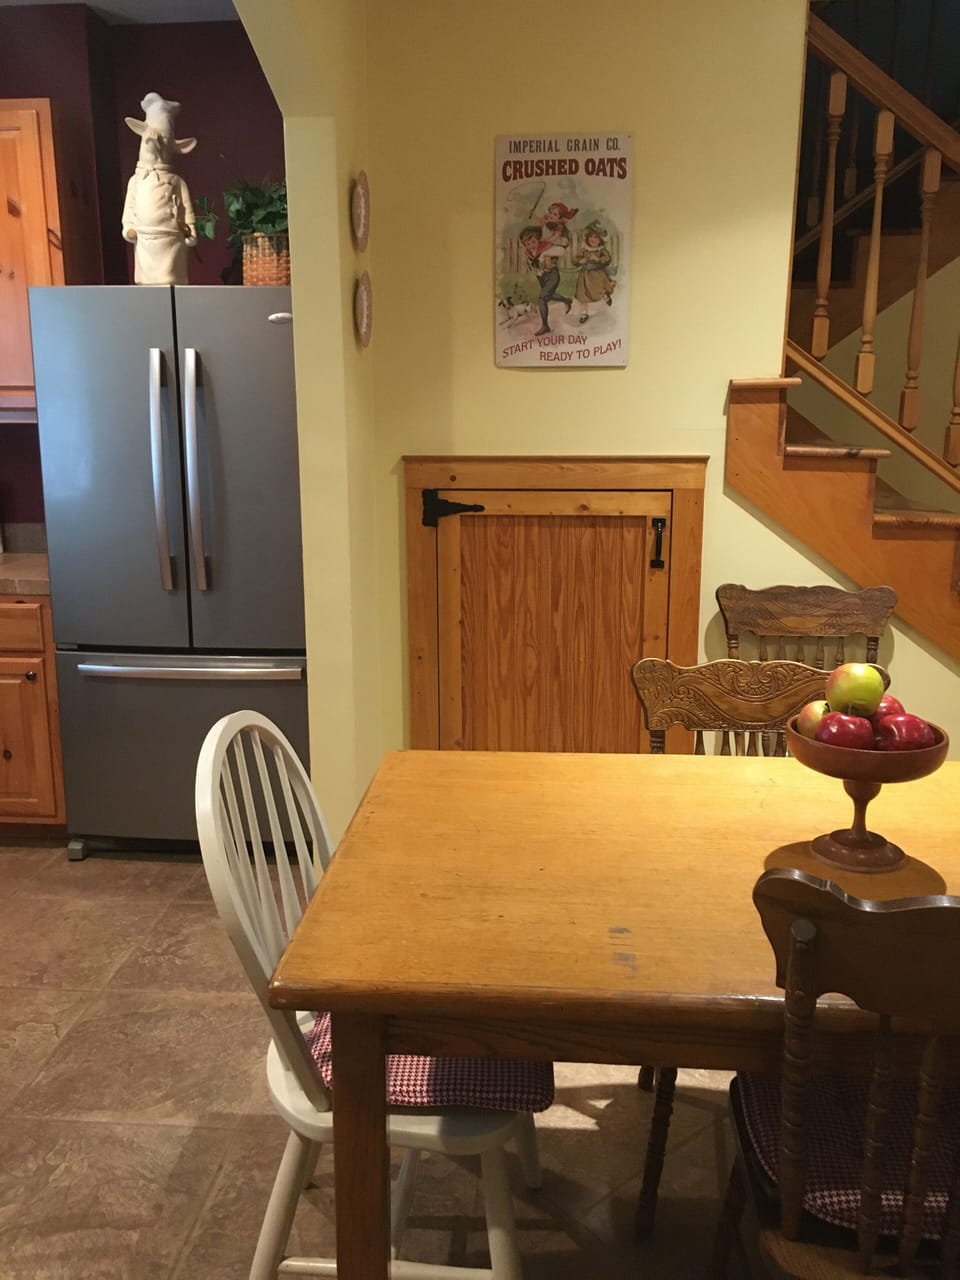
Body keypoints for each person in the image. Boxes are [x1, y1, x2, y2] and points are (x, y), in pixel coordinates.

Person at [519, 220, 573, 336]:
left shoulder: (546, 248)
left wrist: (546, 257)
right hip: (541, 277)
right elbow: (530, 264)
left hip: (552, 275)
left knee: (542, 298)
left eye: (533, 241)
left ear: (538, 239)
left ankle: (545, 326)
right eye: (527, 244)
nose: (531, 245)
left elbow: (561, 251)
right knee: (548, 295)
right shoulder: (528, 253)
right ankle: (566, 300)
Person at [574, 221, 616, 324]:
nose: (593, 240)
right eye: (591, 237)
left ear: (600, 240)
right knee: (582, 294)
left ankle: (605, 296)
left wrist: (598, 259)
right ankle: (584, 313)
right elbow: (575, 259)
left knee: (599, 290)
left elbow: (607, 259)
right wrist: (580, 260)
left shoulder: (601, 250)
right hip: (585, 276)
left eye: (596, 238)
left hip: (598, 274)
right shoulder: (584, 249)